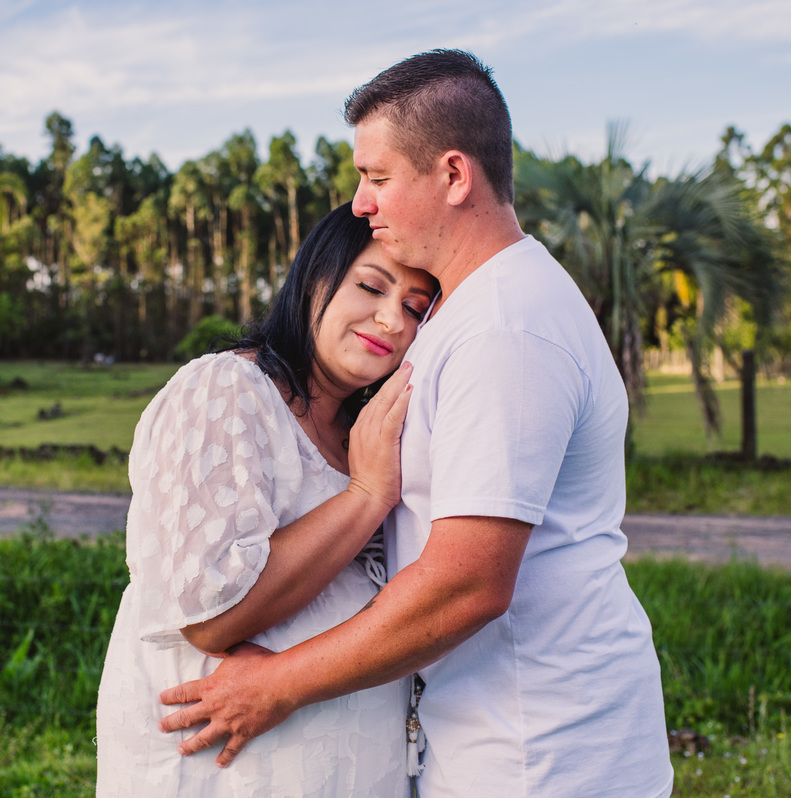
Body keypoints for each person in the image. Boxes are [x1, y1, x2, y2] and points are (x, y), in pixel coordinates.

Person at [158, 50, 675, 797]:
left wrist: (277, 686)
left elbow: (467, 583)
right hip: (490, 736)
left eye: (377, 177)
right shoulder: (466, 311)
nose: (360, 203)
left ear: (455, 176)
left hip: (541, 753)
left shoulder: (506, 327)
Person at [95, 203, 437, 796]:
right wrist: (366, 496)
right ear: (316, 276)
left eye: (413, 309)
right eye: (371, 287)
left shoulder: (364, 432)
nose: (391, 322)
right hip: (225, 773)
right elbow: (213, 613)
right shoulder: (228, 389)